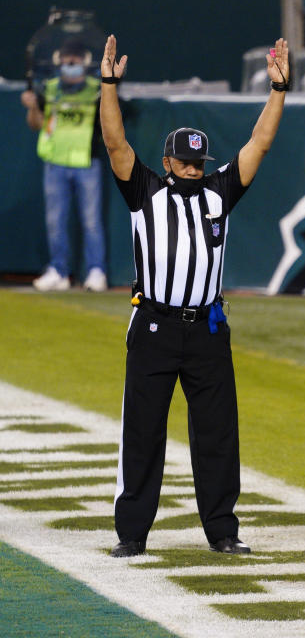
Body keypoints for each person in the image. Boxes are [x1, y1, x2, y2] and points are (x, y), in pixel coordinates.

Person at [98, 34, 289, 558]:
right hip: (155, 326)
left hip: (206, 328)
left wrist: (279, 90)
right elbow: (116, 145)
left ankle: (222, 531)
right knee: (142, 433)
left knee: (217, 435)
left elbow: (258, 146)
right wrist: (108, 86)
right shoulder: (145, 192)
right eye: (184, 162)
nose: (193, 169)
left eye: (198, 163)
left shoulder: (218, 193)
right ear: (167, 161)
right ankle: (132, 533)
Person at [21, 37, 108, 292]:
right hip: (55, 162)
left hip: (86, 160)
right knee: (55, 221)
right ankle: (58, 271)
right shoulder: (49, 89)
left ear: (84, 62)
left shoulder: (96, 88)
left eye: (75, 59)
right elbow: (35, 124)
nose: (71, 63)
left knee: (91, 221)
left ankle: (96, 271)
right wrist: (32, 107)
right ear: (59, 63)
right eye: (67, 60)